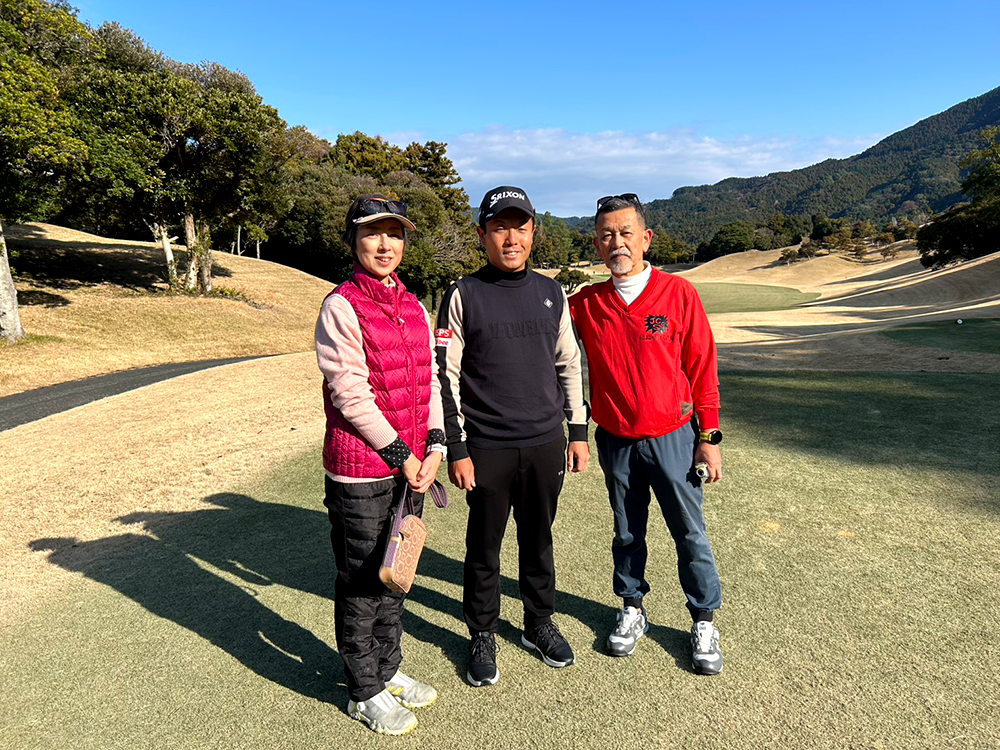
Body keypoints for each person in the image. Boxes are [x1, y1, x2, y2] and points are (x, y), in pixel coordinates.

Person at [435, 185, 590, 687]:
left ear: (533, 233)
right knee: (484, 547)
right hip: (486, 447)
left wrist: (577, 430)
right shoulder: (463, 294)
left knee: (538, 540)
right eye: (499, 227)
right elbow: (445, 374)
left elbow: (568, 363)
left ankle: (537, 622)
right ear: (482, 234)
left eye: (520, 227)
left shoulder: (552, 293)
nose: (511, 238)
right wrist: (457, 447)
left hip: (545, 442)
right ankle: (482, 632)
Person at [568, 193, 725, 675]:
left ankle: (703, 619)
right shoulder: (586, 303)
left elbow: (702, 367)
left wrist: (709, 438)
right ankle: (632, 608)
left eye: (625, 233)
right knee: (627, 531)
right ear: (597, 245)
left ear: (645, 238)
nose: (617, 243)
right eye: (607, 236)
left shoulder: (678, 294)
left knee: (689, 531)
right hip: (615, 439)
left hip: (674, 437)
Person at [315, 195, 446, 735]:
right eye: (372, 233)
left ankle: (388, 670)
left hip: (411, 470)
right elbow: (349, 394)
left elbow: (431, 380)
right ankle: (363, 689)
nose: (385, 244)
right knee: (363, 581)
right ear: (353, 242)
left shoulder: (413, 305)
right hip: (362, 471)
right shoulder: (341, 306)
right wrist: (404, 456)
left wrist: (435, 446)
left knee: (397, 572)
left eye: (395, 234)